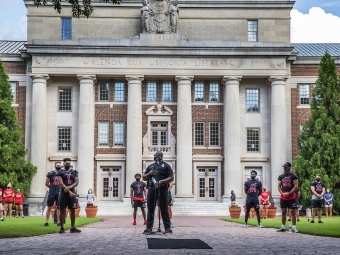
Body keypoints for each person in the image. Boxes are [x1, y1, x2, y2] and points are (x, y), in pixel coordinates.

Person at [142, 151, 174, 234]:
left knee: (164, 208)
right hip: (152, 189)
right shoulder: (151, 166)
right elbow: (144, 178)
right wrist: (150, 173)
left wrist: (161, 181)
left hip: (162, 189)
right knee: (151, 209)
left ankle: (167, 228)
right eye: (154, 155)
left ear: (160, 156)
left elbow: (171, 178)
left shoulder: (166, 166)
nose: (154, 157)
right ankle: (149, 228)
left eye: (156, 155)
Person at [57, 158, 81, 234]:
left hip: (72, 193)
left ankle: (72, 227)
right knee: (62, 210)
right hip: (63, 193)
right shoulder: (60, 172)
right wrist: (69, 191)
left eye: (69, 163)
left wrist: (69, 188)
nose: (68, 164)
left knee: (73, 210)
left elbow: (76, 182)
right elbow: (60, 182)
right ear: (63, 164)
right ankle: (62, 227)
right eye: (66, 163)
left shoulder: (74, 172)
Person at [277, 162, 299, 233]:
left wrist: (289, 193)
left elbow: (296, 186)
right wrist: (282, 193)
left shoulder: (294, 176)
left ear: (289, 167)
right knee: (283, 212)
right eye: (284, 167)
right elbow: (279, 186)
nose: (285, 168)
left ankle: (294, 227)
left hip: (291, 197)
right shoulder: (281, 176)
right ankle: (283, 227)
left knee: (292, 212)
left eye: (286, 167)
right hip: (283, 197)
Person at [44, 161, 62, 226]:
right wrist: (52, 187)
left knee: (59, 208)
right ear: (55, 166)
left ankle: (59, 222)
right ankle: (46, 222)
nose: (58, 166)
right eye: (57, 165)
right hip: (52, 192)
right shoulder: (50, 173)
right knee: (49, 207)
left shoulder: (62, 174)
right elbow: (46, 183)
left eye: (60, 165)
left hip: (59, 192)